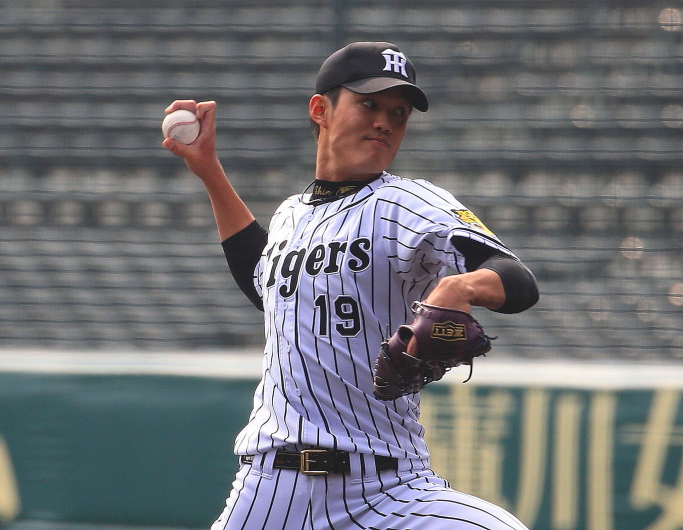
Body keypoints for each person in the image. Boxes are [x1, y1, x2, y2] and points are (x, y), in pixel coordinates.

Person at [164, 41, 539, 530]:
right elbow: (265, 285)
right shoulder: (290, 215)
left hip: (388, 490)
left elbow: (515, 277)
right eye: (369, 104)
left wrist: (460, 288)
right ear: (320, 110)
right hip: (269, 490)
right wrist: (208, 169)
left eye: (398, 113)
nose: (385, 121)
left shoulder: (409, 202)